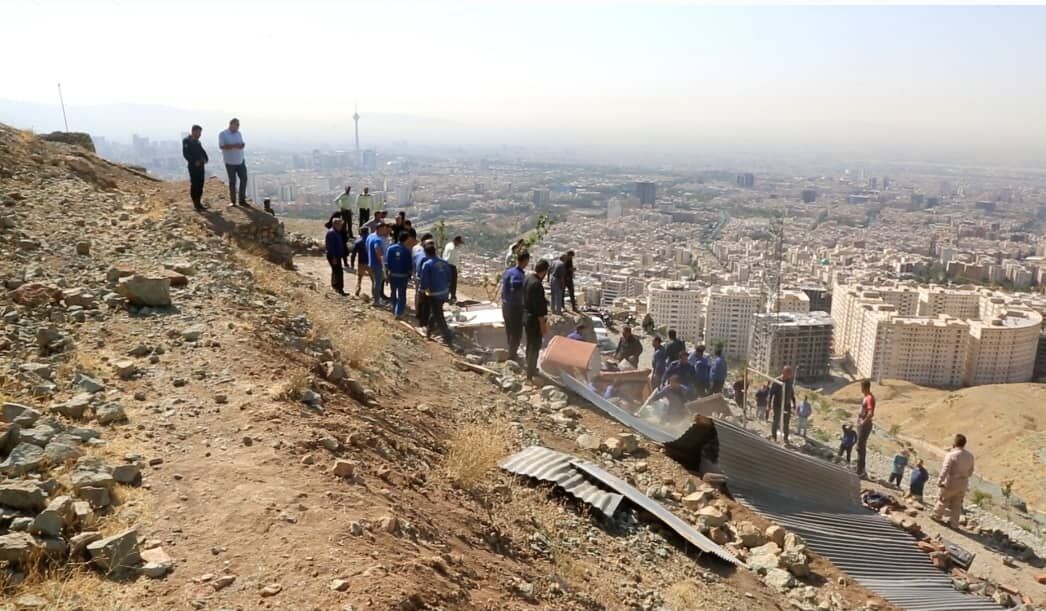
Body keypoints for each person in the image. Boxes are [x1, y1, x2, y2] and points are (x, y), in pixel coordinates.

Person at [931, 434, 975, 528]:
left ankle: (936, 516)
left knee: (944, 499)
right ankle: (954, 523)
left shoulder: (951, 455)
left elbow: (945, 469)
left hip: (952, 481)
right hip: (963, 483)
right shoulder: (970, 456)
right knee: (957, 504)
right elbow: (971, 472)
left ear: (954, 443)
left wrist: (939, 481)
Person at [522, 258, 550, 382]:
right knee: (535, 345)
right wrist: (543, 325)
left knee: (529, 344)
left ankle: (529, 368)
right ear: (544, 272)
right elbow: (539, 309)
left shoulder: (527, 278)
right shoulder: (537, 284)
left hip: (526, 316)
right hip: (534, 319)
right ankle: (531, 372)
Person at [419, 243, 453, 344]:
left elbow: (424, 281)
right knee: (435, 312)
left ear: (426, 253)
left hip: (434, 294)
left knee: (438, 315)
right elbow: (449, 278)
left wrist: (421, 292)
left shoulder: (427, 264)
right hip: (444, 293)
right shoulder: (445, 263)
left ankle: (447, 337)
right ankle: (429, 332)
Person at [501, 251, 529, 360]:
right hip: (515, 307)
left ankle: (510, 352)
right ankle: (512, 355)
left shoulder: (509, 272)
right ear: (526, 261)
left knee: (509, 331)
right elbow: (515, 289)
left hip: (505, 306)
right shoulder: (519, 275)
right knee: (517, 333)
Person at [218, 118, 248, 207]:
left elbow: (241, 143)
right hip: (230, 162)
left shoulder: (239, 133)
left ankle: (242, 200)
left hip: (240, 161)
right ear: (231, 124)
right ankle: (233, 201)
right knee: (232, 182)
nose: (238, 127)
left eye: (239, 125)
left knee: (244, 179)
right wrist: (234, 146)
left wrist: (242, 145)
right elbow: (222, 146)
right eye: (237, 125)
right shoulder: (223, 134)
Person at [386, 232, 413, 318]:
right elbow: (409, 265)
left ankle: (394, 309)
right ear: (406, 239)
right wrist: (410, 274)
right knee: (402, 294)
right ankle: (399, 312)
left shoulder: (390, 248)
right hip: (403, 276)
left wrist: (387, 274)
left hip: (393, 275)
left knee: (393, 292)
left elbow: (387, 263)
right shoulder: (407, 250)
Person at [181, 124, 208, 211]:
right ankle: (195, 203)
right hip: (193, 167)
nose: (199, 134)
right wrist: (193, 162)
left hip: (201, 166)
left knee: (200, 184)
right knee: (195, 184)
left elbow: (203, 152)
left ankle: (199, 202)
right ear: (193, 131)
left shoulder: (198, 142)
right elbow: (186, 154)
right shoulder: (187, 141)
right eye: (198, 132)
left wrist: (205, 159)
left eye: (200, 133)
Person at [767, 366, 796, 444]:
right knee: (776, 421)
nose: (790, 375)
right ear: (784, 372)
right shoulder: (777, 381)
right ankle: (774, 436)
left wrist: (794, 404)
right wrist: (769, 404)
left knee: (786, 422)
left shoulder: (790, 381)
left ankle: (786, 438)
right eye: (788, 373)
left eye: (790, 373)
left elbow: (792, 393)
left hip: (787, 405)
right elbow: (771, 394)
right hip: (777, 404)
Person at [855, 379, 876, 478]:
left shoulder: (870, 398)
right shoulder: (866, 397)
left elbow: (870, 413)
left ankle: (861, 471)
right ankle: (860, 469)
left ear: (865, 387)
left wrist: (863, 422)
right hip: (861, 425)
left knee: (860, 446)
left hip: (865, 426)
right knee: (859, 446)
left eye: (861, 387)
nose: (861, 389)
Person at [414, 233, 434, 327]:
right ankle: (424, 320)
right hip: (424, 280)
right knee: (426, 299)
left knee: (418, 295)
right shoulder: (426, 257)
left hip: (418, 277)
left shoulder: (416, 250)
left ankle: (418, 313)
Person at [365, 223, 388, 306]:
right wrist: (383, 265)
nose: (385, 231)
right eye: (384, 229)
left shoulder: (370, 236)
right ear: (380, 229)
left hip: (371, 262)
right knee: (378, 283)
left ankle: (376, 298)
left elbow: (367, 248)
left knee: (375, 282)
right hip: (378, 264)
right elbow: (378, 251)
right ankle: (377, 301)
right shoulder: (378, 240)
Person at [325, 217, 348, 295]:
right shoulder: (332, 233)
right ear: (335, 224)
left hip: (337, 256)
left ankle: (335, 286)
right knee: (338, 272)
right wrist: (334, 257)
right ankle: (339, 289)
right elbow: (330, 247)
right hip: (334, 256)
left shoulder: (337, 232)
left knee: (336, 271)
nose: (341, 226)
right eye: (340, 225)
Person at [443, 236, 464, 303]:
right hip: (449, 265)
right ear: (455, 241)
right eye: (458, 243)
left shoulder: (450, 245)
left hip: (449, 265)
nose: (459, 244)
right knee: (451, 282)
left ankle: (450, 296)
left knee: (450, 282)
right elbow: (449, 257)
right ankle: (451, 297)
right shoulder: (452, 247)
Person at [351, 228, 370, 297]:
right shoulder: (371, 240)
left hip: (361, 262)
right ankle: (375, 293)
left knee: (359, 278)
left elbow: (353, 254)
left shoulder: (358, 241)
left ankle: (357, 290)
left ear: (360, 233)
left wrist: (352, 263)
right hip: (370, 262)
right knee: (373, 279)